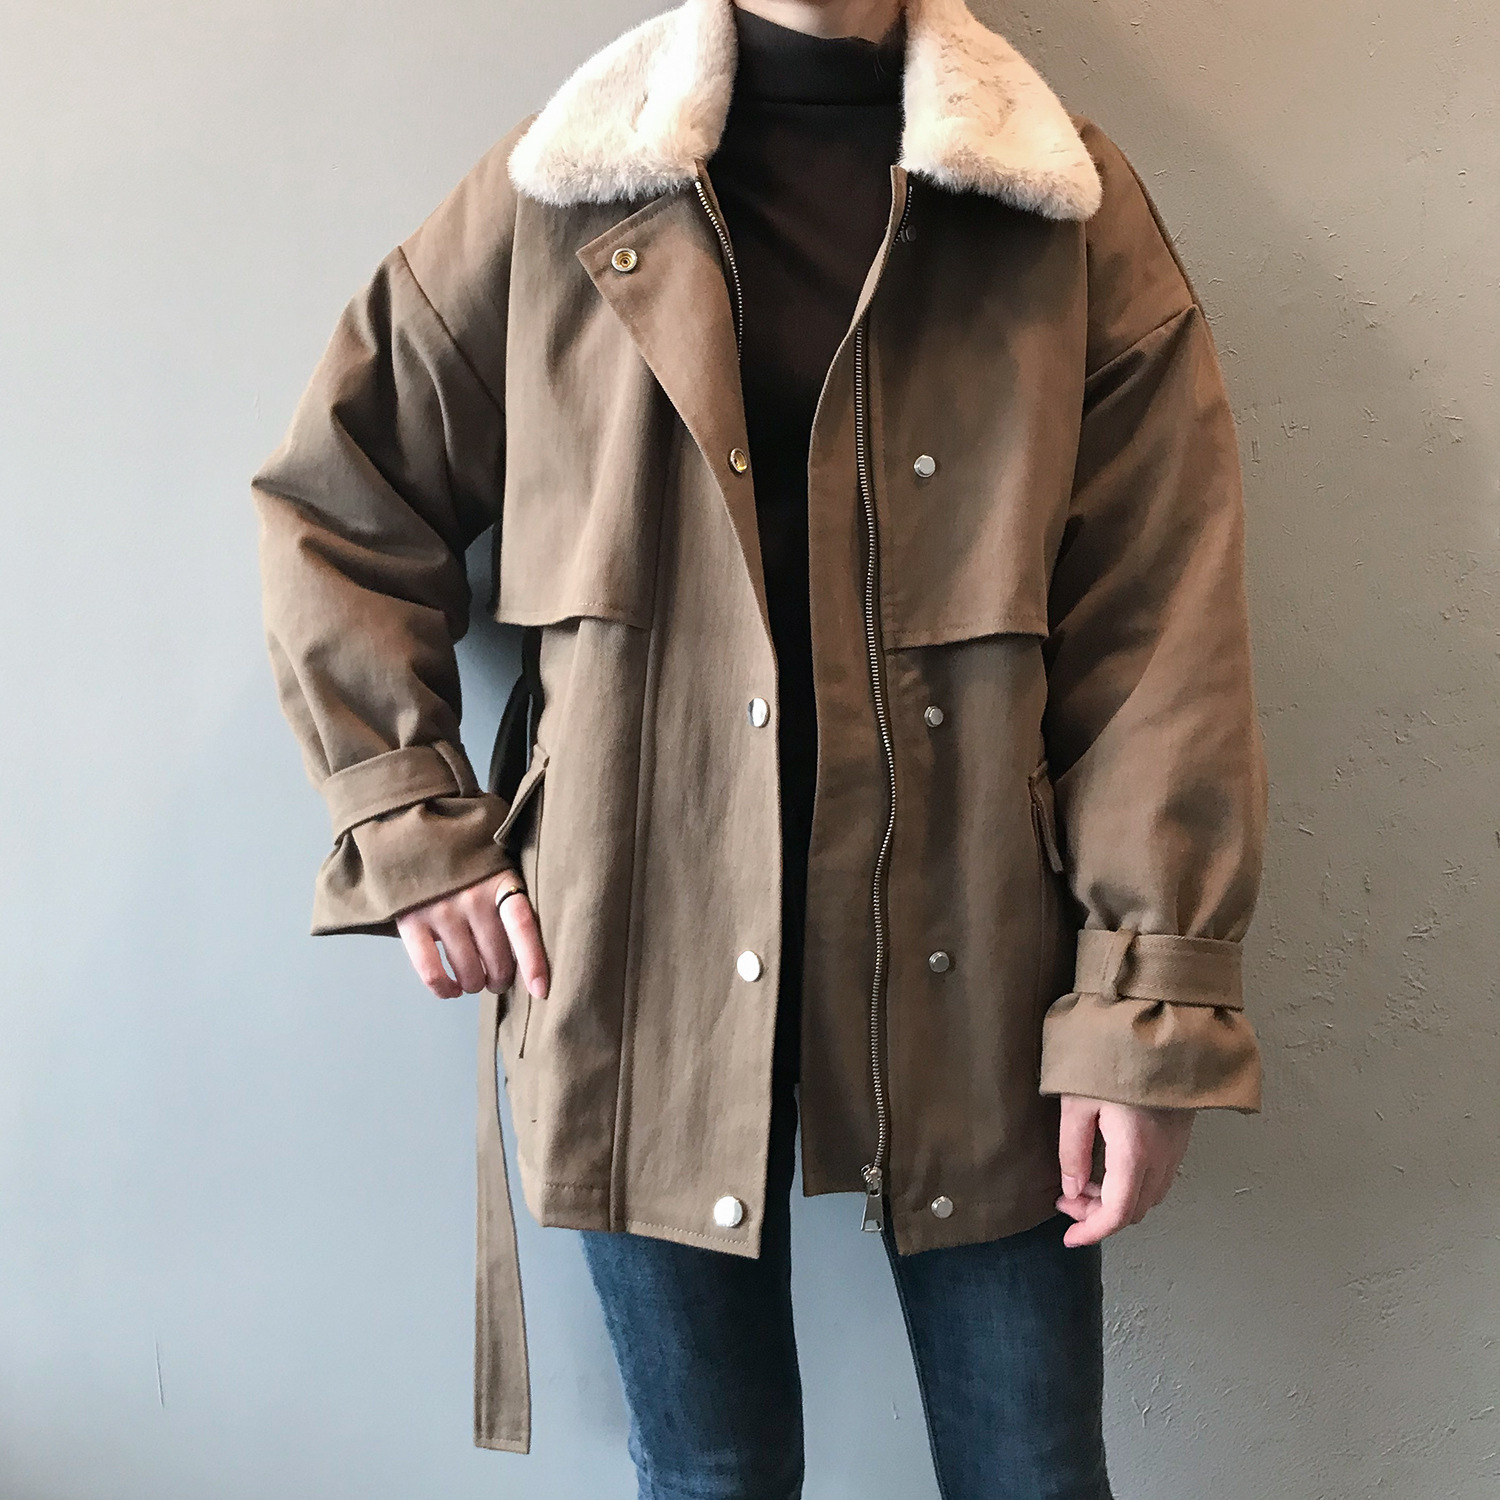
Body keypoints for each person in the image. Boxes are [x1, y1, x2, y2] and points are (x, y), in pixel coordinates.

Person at [251, 0, 1267, 1493]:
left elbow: (1158, 628)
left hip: (981, 968)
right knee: (712, 1475)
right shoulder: (563, 188)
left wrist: (1147, 1003)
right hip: (625, 960)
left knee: (1031, 1469)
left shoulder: (1059, 208)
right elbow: (338, 506)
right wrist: (411, 817)